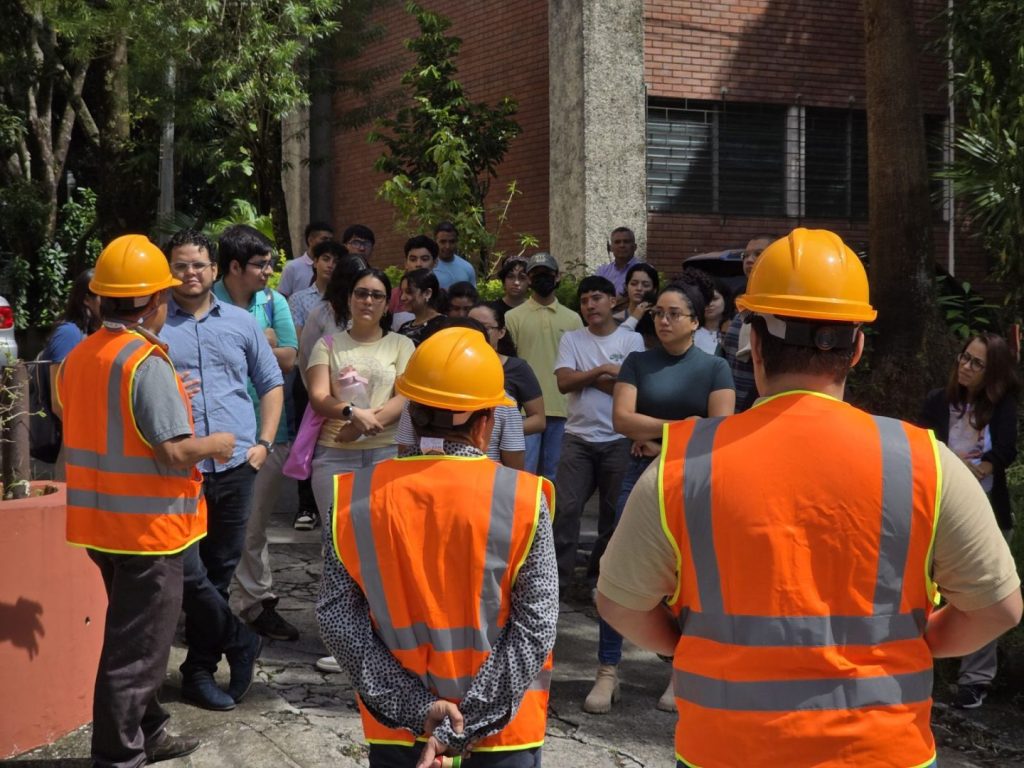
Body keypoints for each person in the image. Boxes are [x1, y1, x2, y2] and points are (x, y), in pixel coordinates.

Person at [598, 229, 1022, 768]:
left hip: (725, 751)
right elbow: (999, 608)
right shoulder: (927, 464)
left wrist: (690, 646)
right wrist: (916, 644)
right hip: (881, 753)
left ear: (754, 345)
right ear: (857, 348)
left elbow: (619, 603)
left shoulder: (681, 465)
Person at [316, 326, 558, 768]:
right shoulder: (523, 497)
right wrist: (465, 725)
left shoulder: (353, 497)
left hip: (400, 732)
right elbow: (536, 625)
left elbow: (338, 621)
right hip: (502, 737)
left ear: (410, 412)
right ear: (486, 423)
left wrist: (417, 708)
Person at [56, 234, 235, 766]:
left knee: (136, 640)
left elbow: (100, 418)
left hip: (100, 527)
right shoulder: (144, 360)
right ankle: (119, 756)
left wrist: (168, 399)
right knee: (136, 654)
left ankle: (149, 731)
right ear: (155, 300)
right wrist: (218, 443)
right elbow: (174, 453)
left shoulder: (81, 355)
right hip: (147, 534)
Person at [585, 281, 734, 714]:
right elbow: (621, 420)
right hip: (638, 471)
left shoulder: (715, 367)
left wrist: (658, 441)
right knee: (618, 568)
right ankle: (608, 670)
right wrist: (683, 428)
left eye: (673, 314)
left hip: (693, 476)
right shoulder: (637, 361)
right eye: (658, 314)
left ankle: (678, 671)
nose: (663, 321)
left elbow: (719, 429)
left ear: (695, 321)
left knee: (689, 571)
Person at [160, 228, 283, 704]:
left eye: (198, 265)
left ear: (214, 269)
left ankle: (199, 670)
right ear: (168, 271)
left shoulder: (241, 322)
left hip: (236, 466)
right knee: (185, 573)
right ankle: (240, 637)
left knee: (220, 571)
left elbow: (270, 382)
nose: (190, 273)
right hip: (180, 469)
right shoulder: (155, 325)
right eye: (180, 265)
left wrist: (264, 445)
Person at [307, 267, 415, 674]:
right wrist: (352, 415)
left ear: (387, 304)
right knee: (338, 548)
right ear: (349, 299)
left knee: (383, 547)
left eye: (376, 295)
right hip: (335, 457)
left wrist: (367, 424)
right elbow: (319, 396)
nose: (367, 301)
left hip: (386, 454)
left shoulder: (401, 344)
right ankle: (343, 641)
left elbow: (406, 396)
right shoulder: (328, 345)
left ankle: (384, 638)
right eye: (360, 293)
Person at [918, 332, 1020, 709]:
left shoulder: (1002, 406)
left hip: (987, 509)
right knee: (924, 587)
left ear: (992, 372)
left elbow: (1004, 451)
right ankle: (918, 662)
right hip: (936, 506)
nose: (966, 366)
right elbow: (923, 445)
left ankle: (975, 680)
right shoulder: (937, 400)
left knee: (983, 597)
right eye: (964, 357)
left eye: (977, 363)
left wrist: (971, 470)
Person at [552, 276, 643, 598]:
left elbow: (630, 387)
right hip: (577, 437)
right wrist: (602, 370)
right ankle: (558, 582)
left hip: (618, 438)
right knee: (566, 508)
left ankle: (598, 581)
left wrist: (585, 376)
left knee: (613, 514)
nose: (590, 306)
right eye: (584, 301)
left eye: (596, 298)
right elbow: (564, 383)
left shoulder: (631, 340)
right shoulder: (572, 339)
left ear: (613, 301)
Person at [395, 317, 526, 469]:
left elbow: (404, 450)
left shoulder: (373, 479)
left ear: (413, 413)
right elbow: (514, 464)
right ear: (481, 427)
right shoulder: (519, 487)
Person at [504, 252, 583, 480]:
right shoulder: (512, 317)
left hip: (562, 407)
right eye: (536, 274)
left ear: (557, 277)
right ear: (528, 279)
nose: (542, 279)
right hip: (524, 410)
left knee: (554, 476)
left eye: (547, 274)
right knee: (523, 474)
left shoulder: (573, 319)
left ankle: (551, 507)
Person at [40, 268, 101, 477]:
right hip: (74, 440)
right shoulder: (69, 333)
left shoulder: (97, 332)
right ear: (86, 300)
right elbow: (58, 403)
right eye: (103, 295)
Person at [468, 303, 546, 437]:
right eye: (471, 327)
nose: (478, 333)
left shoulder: (517, 368)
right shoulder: (452, 365)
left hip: (501, 448)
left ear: (501, 332)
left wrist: (500, 432)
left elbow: (538, 420)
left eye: (485, 328)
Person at [722, 235, 775, 411]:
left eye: (758, 254)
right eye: (745, 255)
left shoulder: (778, 309)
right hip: (729, 407)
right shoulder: (743, 303)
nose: (749, 260)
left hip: (759, 408)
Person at [288, 239, 342, 337]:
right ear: (315, 262)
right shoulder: (298, 299)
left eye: (336, 262)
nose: (330, 265)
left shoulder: (346, 298)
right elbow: (297, 338)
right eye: (326, 259)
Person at [388, 234, 439, 320]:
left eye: (424, 259)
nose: (418, 264)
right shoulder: (393, 296)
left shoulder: (442, 296)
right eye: (413, 259)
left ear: (435, 263)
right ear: (406, 263)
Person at [277, 221, 334, 298]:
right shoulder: (293, 267)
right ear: (310, 240)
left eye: (330, 240)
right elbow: (281, 297)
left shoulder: (333, 267)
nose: (328, 243)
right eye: (324, 239)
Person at [397, 268, 444, 346]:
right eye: (402, 292)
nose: (402, 298)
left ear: (427, 293)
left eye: (409, 292)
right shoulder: (404, 327)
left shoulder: (444, 326)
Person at [596, 226, 642, 297]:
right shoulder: (602, 272)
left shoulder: (645, 271)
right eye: (617, 242)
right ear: (611, 248)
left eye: (626, 242)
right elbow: (596, 297)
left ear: (634, 247)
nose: (622, 245)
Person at [613, 262, 659, 331]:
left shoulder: (660, 319)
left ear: (654, 290)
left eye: (645, 285)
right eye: (634, 284)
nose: (639, 288)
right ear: (626, 287)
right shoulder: (615, 320)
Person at [432, 221, 476, 289]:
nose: (447, 246)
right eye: (443, 242)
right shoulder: (428, 267)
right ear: (435, 242)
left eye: (452, 242)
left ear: (457, 242)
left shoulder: (467, 268)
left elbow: (473, 294)